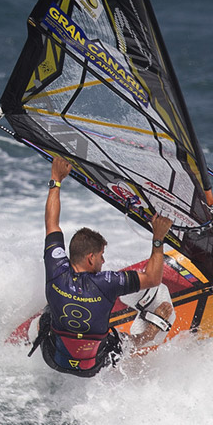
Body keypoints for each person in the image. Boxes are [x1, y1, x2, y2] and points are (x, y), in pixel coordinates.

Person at [32, 155, 173, 376]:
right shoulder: (108, 283)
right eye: (101, 256)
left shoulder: (55, 269)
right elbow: (153, 278)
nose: (103, 261)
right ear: (90, 258)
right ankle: (147, 335)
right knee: (120, 341)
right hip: (93, 366)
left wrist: (56, 179)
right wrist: (158, 238)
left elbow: (52, 223)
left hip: (53, 358)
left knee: (46, 315)